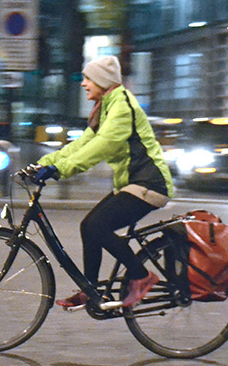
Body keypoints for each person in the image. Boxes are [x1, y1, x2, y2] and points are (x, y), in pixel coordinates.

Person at [24, 55, 174, 310]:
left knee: (96, 225)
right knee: (89, 226)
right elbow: (83, 144)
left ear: (103, 81)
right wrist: (44, 163)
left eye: (88, 78)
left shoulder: (122, 106)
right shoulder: (106, 107)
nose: (83, 84)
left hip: (150, 184)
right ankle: (90, 291)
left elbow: (102, 147)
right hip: (133, 184)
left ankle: (141, 276)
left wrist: (59, 170)